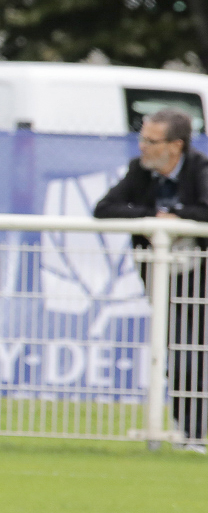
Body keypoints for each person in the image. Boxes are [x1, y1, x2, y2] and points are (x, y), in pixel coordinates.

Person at [94, 107, 208, 448]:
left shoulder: (201, 170)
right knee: (178, 353)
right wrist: (153, 217)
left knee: (196, 352)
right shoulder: (139, 172)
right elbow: (104, 208)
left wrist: (176, 217)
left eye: (150, 140)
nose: (142, 146)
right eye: (142, 138)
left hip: (201, 280)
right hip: (164, 281)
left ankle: (193, 433)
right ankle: (188, 433)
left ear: (175, 146)